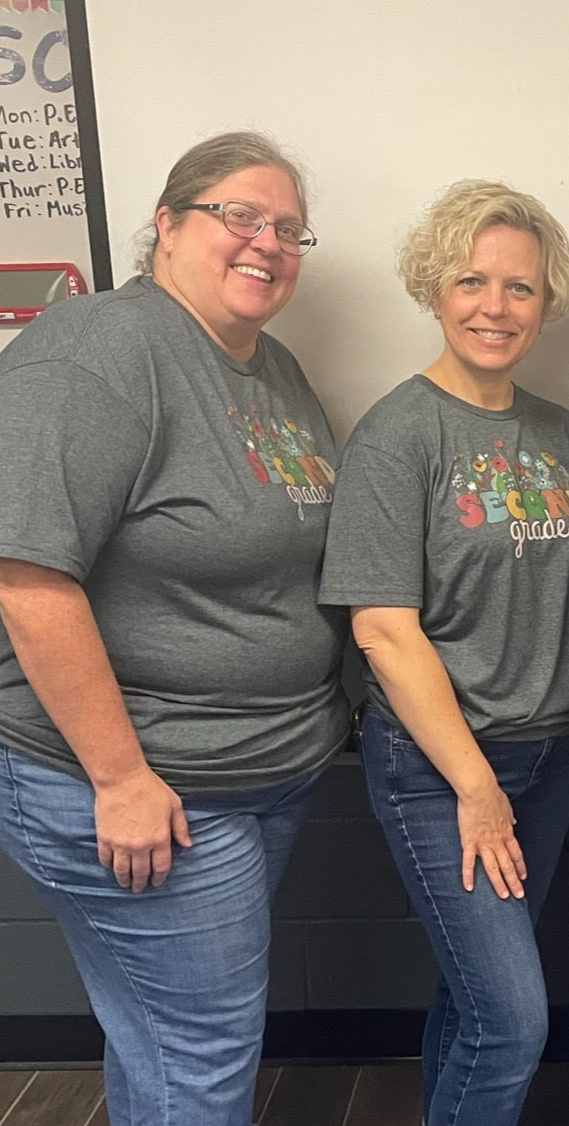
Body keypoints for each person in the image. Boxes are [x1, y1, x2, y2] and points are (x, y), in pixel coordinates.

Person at [0, 132, 346, 1126]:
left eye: (288, 228)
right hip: (144, 786)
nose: (267, 243)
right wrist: (118, 776)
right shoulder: (102, 345)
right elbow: (26, 573)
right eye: (239, 215)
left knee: (160, 1032)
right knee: (202, 1048)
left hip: (252, 772)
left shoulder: (270, 369)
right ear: (166, 222)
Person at [318, 181, 569, 1126]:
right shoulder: (398, 435)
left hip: (550, 757)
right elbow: (382, 629)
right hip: (440, 768)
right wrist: (476, 788)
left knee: (475, 998)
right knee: (514, 1023)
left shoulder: (558, 432)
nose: (495, 306)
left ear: (545, 301)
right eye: (471, 281)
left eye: (518, 288)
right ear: (435, 291)